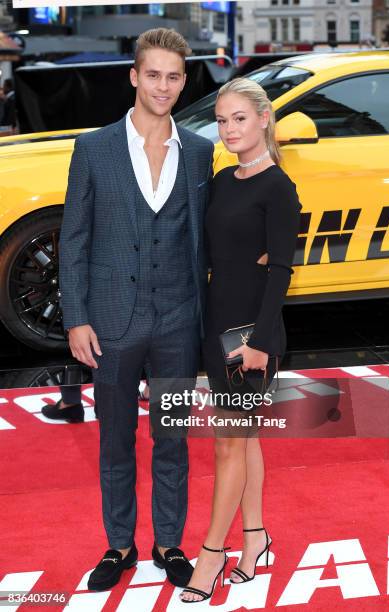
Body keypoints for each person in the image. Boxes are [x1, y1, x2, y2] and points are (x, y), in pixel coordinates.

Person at [59, 28, 214, 592]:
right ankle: (119, 545)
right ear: (133, 76)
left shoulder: (199, 150)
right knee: (114, 440)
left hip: (177, 320)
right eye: (154, 74)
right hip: (112, 323)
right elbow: (73, 239)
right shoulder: (94, 148)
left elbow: (206, 238)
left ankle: (168, 543)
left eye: (174, 76)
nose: (164, 86)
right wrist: (75, 316)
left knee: (172, 438)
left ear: (183, 80)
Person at [180, 78, 301, 602]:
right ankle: (254, 540)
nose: (230, 129)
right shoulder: (224, 181)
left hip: (251, 337)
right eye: (223, 120)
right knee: (243, 439)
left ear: (264, 120)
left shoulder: (279, 187)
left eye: (240, 119)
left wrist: (260, 341)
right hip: (217, 325)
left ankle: (211, 555)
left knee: (228, 444)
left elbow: (280, 271)